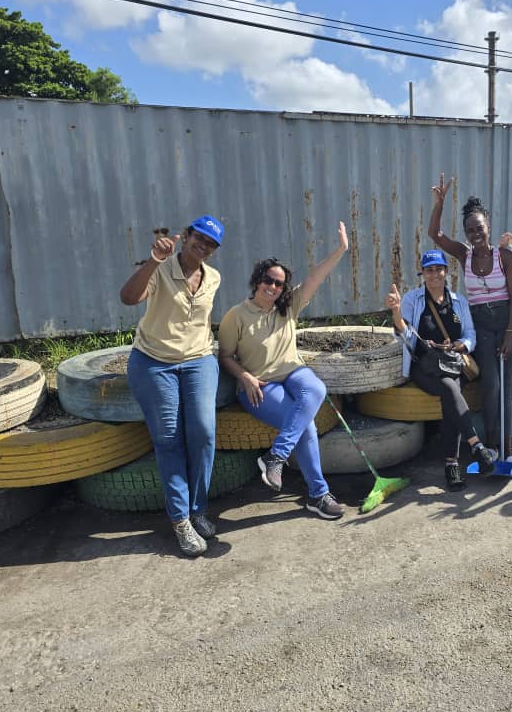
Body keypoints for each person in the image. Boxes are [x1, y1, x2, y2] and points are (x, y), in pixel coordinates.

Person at [217, 223, 350, 520]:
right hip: (260, 384)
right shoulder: (236, 315)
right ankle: (318, 495)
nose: (273, 287)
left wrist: (341, 249)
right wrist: (244, 376)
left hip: (293, 373)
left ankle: (276, 456)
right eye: (268, 280)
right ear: (257, 281)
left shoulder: (288, 307)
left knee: (316, 388)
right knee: (306, 427)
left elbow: (317, 276)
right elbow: (224, 356)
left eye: (279, 284)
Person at [120, 215, 225, 557]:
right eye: (199, 237)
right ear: (186, 236)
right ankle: (180, 520)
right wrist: (154, 260)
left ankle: (198, 509)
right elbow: (128, 297)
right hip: (154, 361)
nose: (203, 245)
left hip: (198, 360)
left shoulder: (213, 278)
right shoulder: (161, 268)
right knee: (169, 439)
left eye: (210, 243)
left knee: (204, 433)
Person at [427, 174, 512, 479]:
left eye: (479, 228)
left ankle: (510, 454)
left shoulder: (504, 256)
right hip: (481, 326)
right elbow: (435, 234)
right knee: (490, 386)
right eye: (470, 230)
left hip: (507, 324)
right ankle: (492, 450)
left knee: (505, 388)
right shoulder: (464, 254)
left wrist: (510, 333)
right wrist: (439, 203)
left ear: (488, 227)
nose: (475, 234)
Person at [385, 250, 495, 491]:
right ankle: (476, 446)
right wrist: (396, 311)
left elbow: (470, 334)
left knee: (450, 393)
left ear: (447, 271)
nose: (434, 274)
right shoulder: (413, 299)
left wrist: (459, 345)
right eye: (429, 270)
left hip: (452, 362)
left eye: (438, 269)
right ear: (422, 274)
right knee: (449, 388)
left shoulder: (458, 301)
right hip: (424, 366)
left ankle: (453, 464)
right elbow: (404, 333)